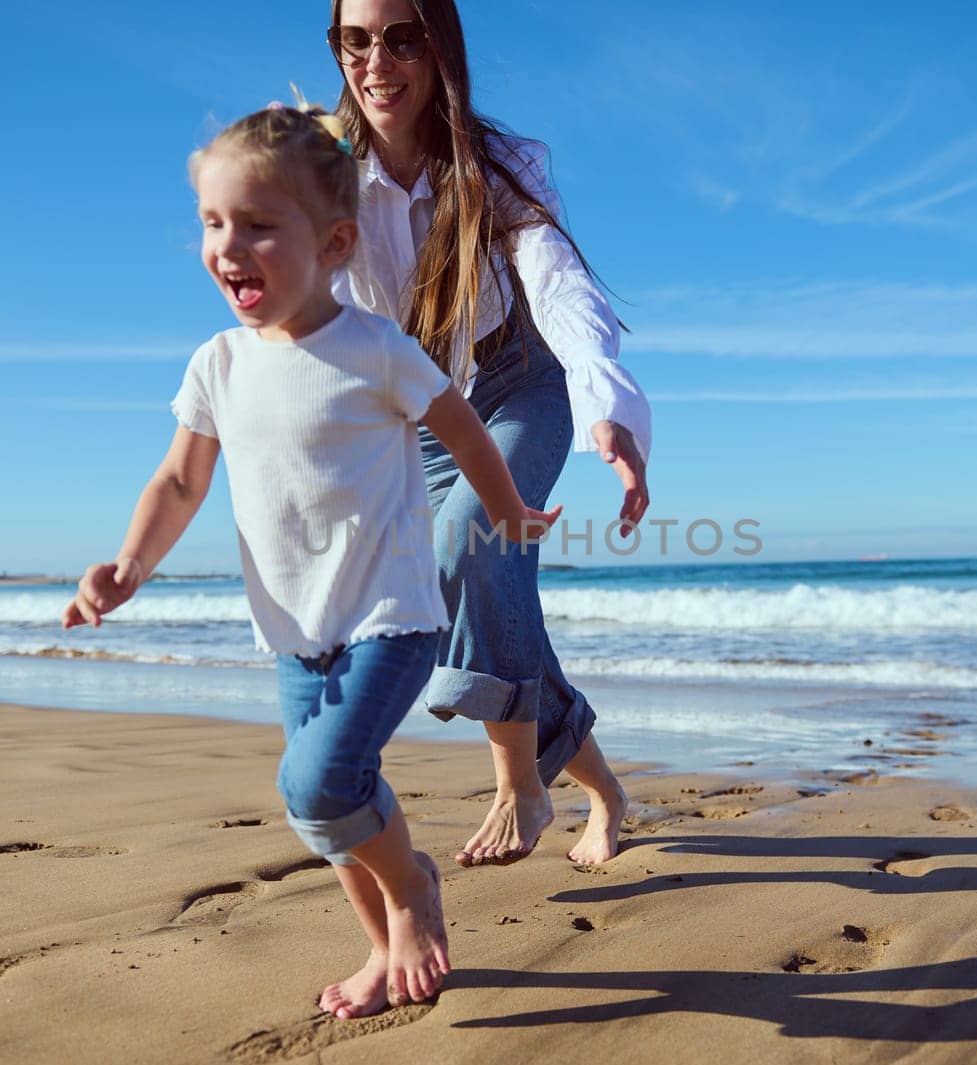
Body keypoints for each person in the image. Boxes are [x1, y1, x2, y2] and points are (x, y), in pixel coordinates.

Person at [61, 100, 560, 1016]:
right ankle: (382, 945)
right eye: (213, 224)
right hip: (295, 628)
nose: (228, 246)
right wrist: (127, 567)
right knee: (331, 814)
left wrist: (507, 512)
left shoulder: (375, 347)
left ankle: (411, 888)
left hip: (391, 617)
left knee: (316, 782)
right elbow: (179, 482)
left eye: (259, 225)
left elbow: (464, 426)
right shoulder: (217, 363)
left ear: (334, 243)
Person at [327, 0, 653, 869]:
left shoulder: (494, 164)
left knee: (471, 543)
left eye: (401, 37)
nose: (376, 60)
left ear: (438, 49)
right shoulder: (324, 172)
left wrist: (607, 405)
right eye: (354, 39)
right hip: (422, 417)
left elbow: (558, 286)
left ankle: (519, 785)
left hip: (519, 386)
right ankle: (607, 793)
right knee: (503, 610)